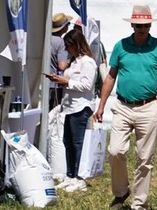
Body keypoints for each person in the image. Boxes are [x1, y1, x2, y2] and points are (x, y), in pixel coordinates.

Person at [95, 5, 157, 210]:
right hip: (122, 105)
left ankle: (139, 204)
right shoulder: (121, 46)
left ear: (150, 25)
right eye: (138, 25)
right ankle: (121, 193)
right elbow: (111, 76)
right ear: (133, 25)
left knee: (145, 158)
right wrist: (101, 105)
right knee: (115, 151)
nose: (142, 28)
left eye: (146, 25)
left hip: (149, 106)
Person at [46, 28, 96, 192]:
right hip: (69, 107)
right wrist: (59, 79)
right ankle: (70, 175)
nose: (66, 50)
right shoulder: (74, 62)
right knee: (68, 142)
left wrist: (66, 81)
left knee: (77, 143)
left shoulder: (87, 62)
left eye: (68, 46)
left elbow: (87, 85)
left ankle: (78, 177)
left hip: (81, 107)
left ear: (76, 45)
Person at [50, 13, 71, 108]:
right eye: (68, 24)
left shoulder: (46, 38)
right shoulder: (60, 42)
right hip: (53, 84)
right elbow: (61, 66)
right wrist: (70, 62)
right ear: (63, 28)